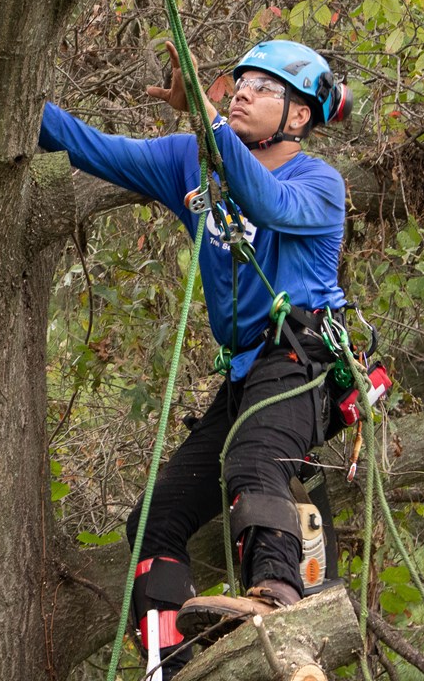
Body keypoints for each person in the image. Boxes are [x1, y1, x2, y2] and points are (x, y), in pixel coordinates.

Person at [39, 38, 351, 678]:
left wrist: (204, 120)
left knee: (254, 458)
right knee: (154, 517)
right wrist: (11, 104)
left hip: (302, 359)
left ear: (298, 116)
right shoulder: (191, 160)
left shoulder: (319, 183)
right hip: (244, 374)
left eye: (264, 88)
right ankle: (171, 659)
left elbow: (266, 203)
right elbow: (92, 146)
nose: (241, 91)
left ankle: (278, 596)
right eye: (239, 82)